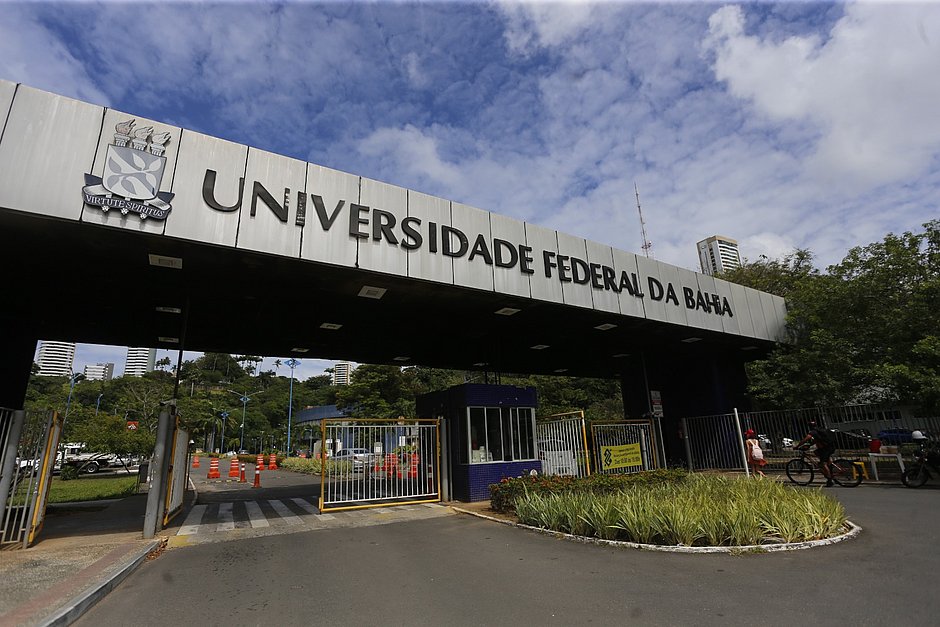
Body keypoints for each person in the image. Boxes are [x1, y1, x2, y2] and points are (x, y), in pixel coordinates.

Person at [796, 420, 836, 486]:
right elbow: (816, 440)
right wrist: (809, 445)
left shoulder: (813, 432)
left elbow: (806, 439)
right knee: (817, 453)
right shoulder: (820, 430)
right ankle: (829, 468)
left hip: (825, 449)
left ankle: (829, 480)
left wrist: (797, 446)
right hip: (831, 446)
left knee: (823, 463)